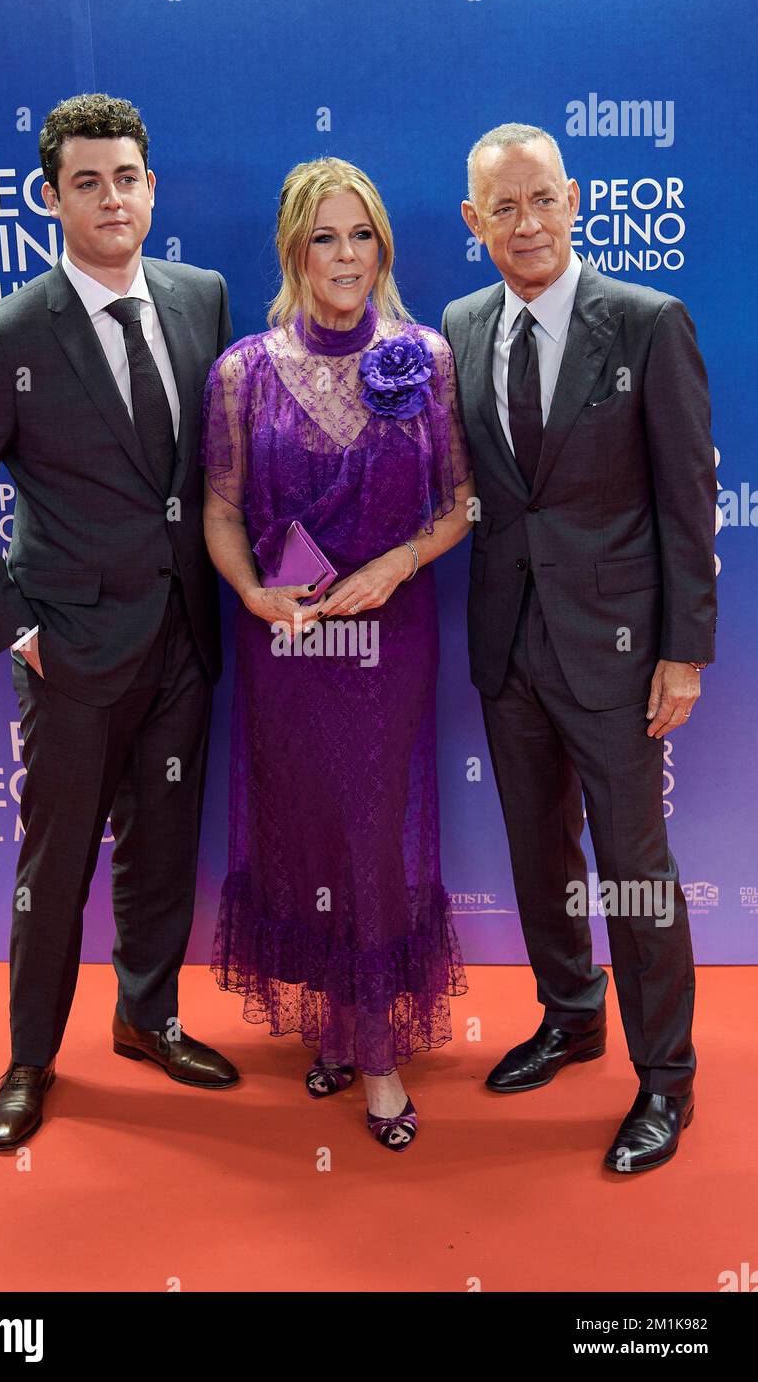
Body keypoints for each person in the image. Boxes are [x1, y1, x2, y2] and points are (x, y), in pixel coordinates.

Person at [0, 92, 239, 1152]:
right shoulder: (5, 334)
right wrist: (18, 630)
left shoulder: (202, 298)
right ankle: (30, 1059)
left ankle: (148, 1017)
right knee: (55, 868)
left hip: (184, 641)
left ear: (152, 186)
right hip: (70, 652)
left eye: (128, 177)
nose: (112, 197)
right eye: (87, 181)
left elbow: (220, 469)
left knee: (163, 847)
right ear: (49, 197)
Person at [442, 123, 717, 1173]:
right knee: (536, 850)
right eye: (502, 208)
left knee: (634, 869)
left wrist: (680, 651)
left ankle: (665, 1079)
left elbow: (687, 500)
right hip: (505, 642)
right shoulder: (460, 325)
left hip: (615, 650)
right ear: (473, 223)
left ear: (574, 199)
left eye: (542, 200)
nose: (526, 224)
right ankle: (570, 1014)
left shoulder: (646, 324)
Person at [201, 157, 474, 1151]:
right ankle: (334, 1023)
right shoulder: (241, 371)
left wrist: (397, 563)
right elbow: (221, 512)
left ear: (383, 248)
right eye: (325, 236)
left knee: (371, 829)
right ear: (292, 249)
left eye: (360, 235)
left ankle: (376, 1054)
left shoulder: (426, 358)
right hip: (286, 642)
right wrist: (249, 592)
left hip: (386, 640)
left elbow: (458, 506)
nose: (345, 255)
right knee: (306, 831)